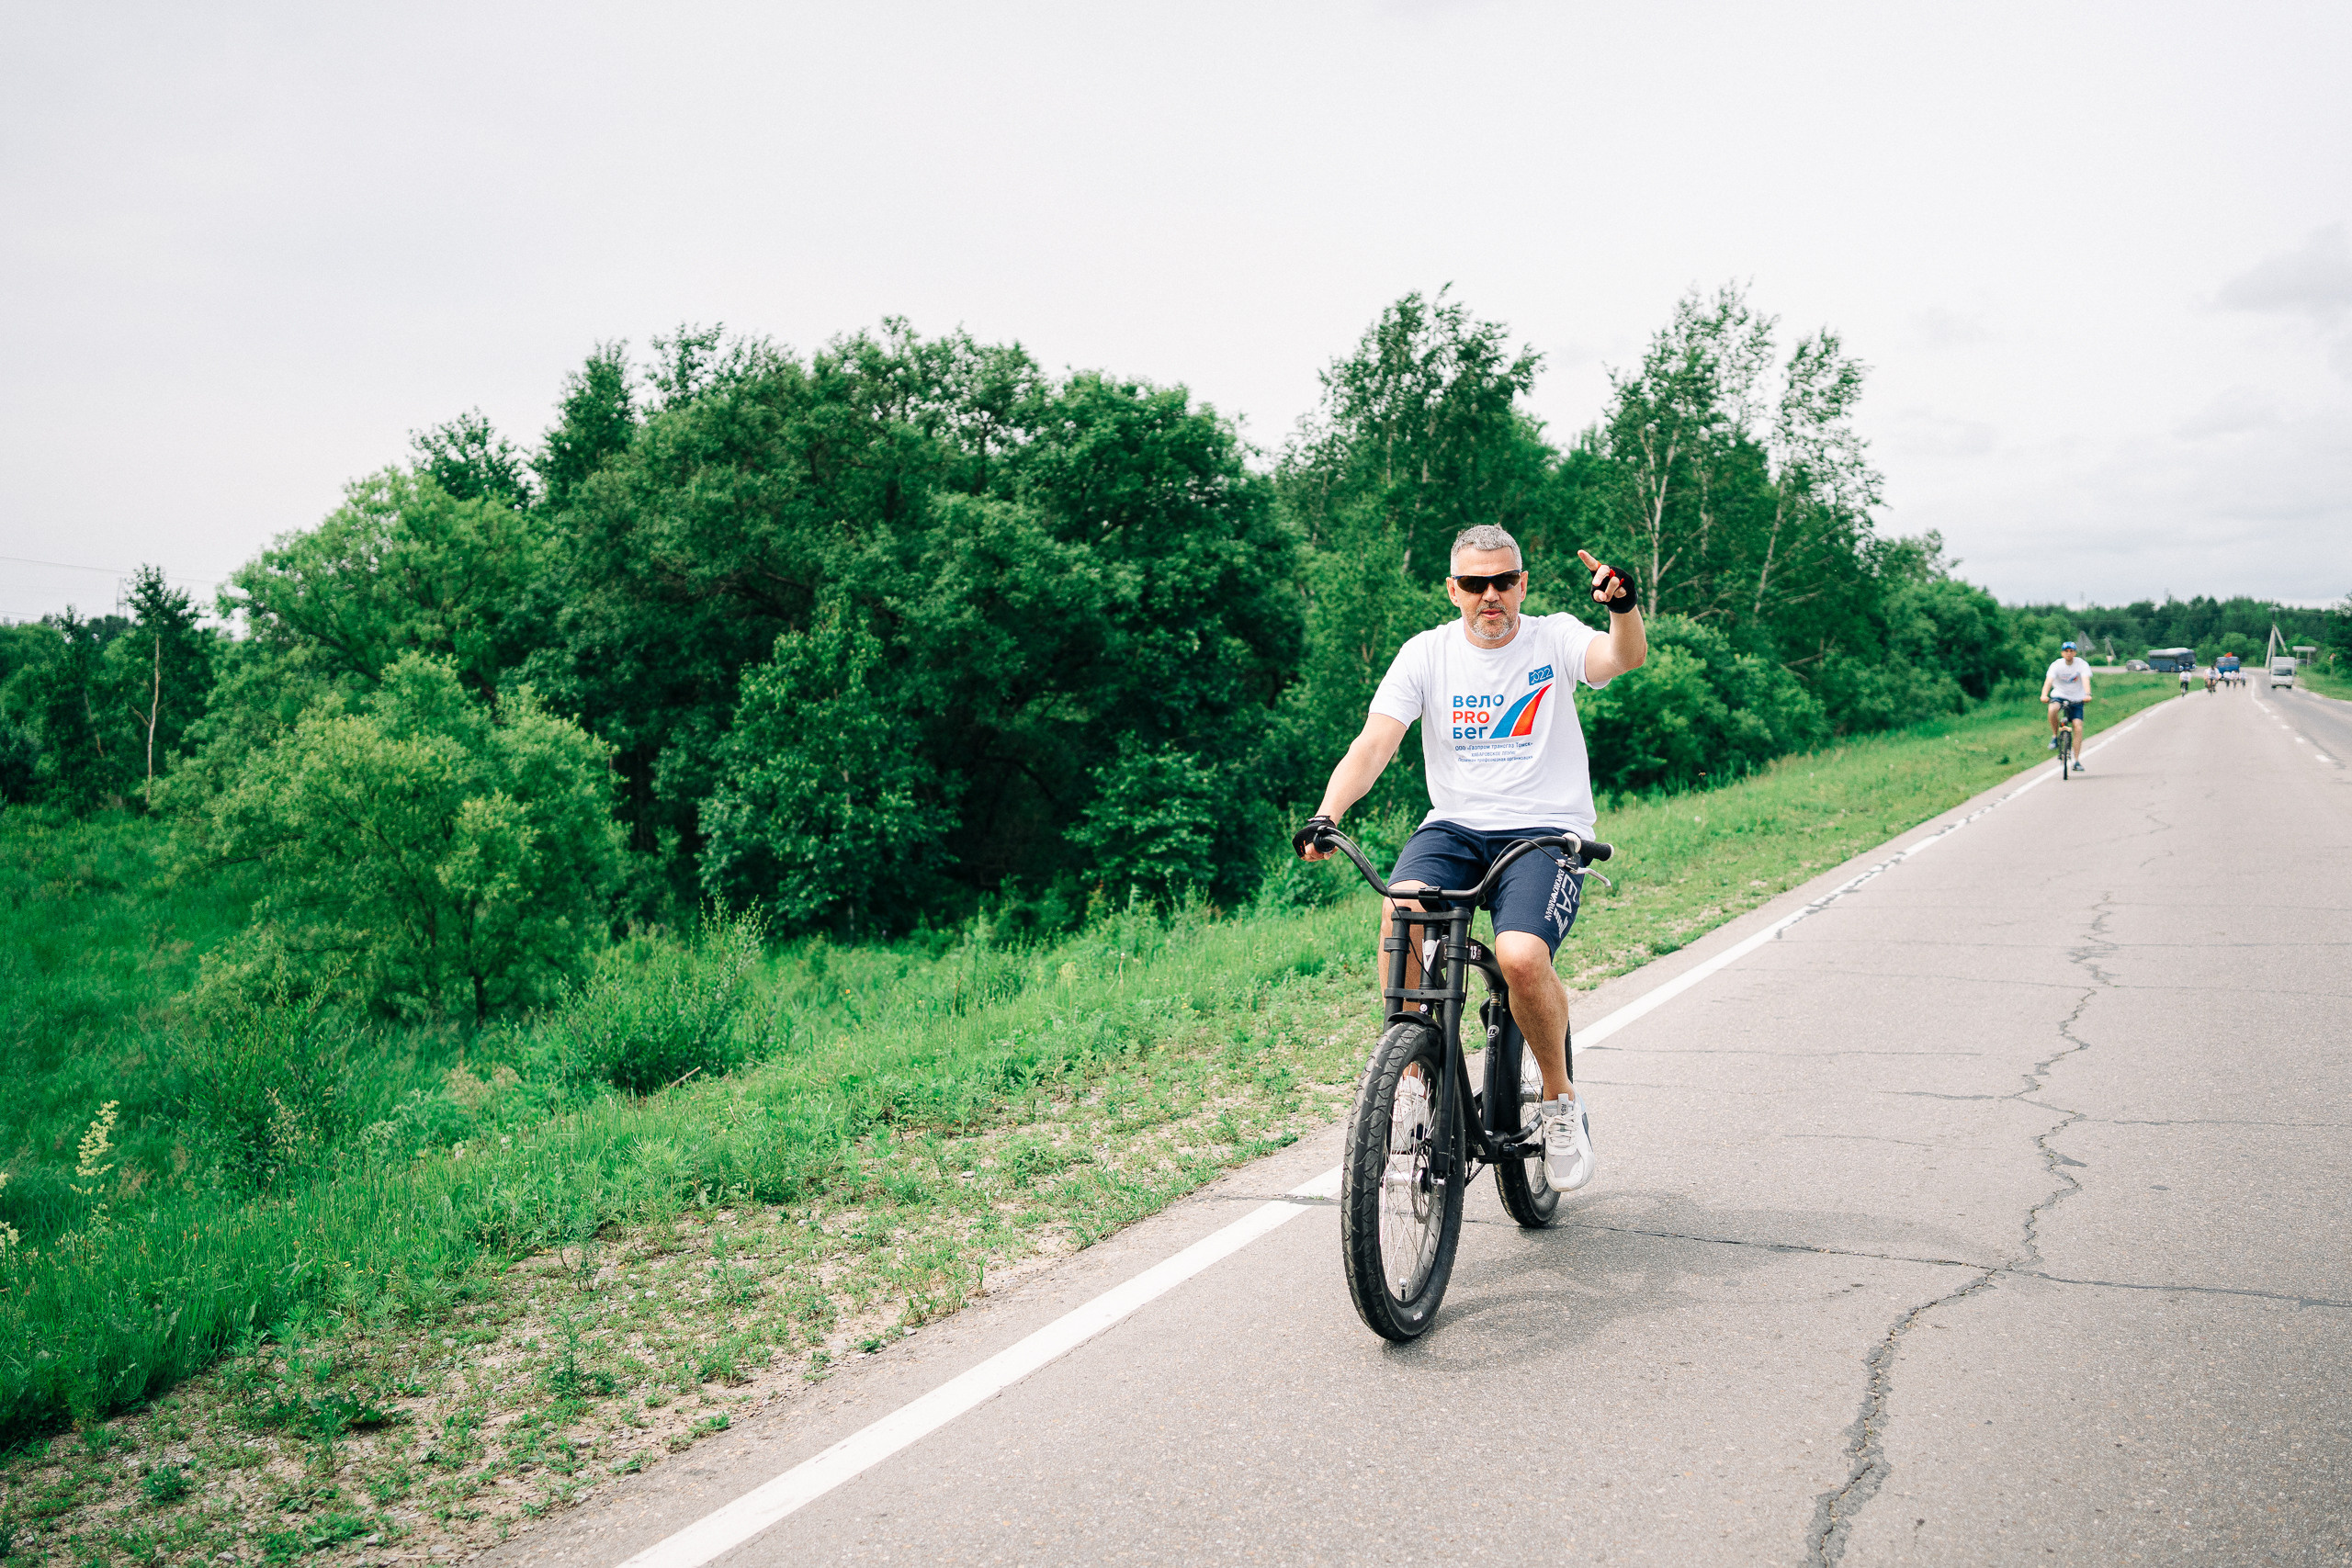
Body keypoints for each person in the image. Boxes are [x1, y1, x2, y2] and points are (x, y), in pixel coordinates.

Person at [1293, 525, 1646, 1193]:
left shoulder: (1555, 637)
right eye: (1476, 584)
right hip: (1455, 826)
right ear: (1453, 589)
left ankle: (1562, 1103)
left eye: (1504, 582)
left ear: (1522, 585)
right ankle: (1417, 1071)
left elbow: (1619, 659)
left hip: (1544, 830)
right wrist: (1327, 812)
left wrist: (1622, 607)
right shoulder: (1426, 654)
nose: (1491, 596)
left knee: (1518, 957)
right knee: (1402, 910)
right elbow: (1374, 744)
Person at [2044, 641, 2092, 770]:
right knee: (2052, 709)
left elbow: (2086, 679)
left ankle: (2076, 761)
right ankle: (2055, 736)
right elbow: (2049, 681)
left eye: (2071, 651)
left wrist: (2087, 694)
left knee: (2078, 726)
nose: (2069, 654)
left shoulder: (2081, 664)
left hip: (2077, 698)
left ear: (2075, 653)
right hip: (2059, 695)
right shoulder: (2056, 665)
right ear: (2062, 653)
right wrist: (2044, 695)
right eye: (2066, 651)